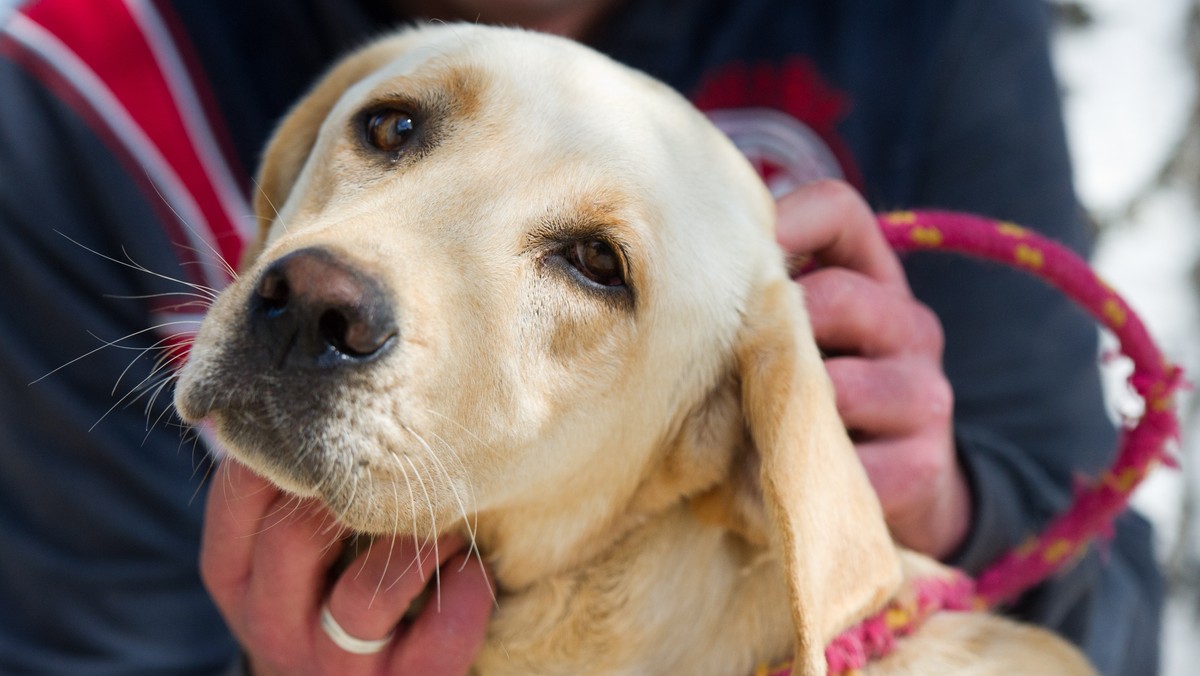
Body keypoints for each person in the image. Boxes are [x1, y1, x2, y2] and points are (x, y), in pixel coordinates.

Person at [0, 0, 1161, 674]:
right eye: (393, 130)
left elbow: (1115, 616)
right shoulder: (72, 75)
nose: (322, 285)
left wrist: (951, 504)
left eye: (590, 261)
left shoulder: (934, 22)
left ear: (720, 445)